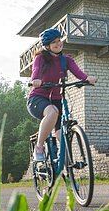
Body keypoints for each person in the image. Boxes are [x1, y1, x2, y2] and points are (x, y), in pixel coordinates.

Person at [27, 28, 97, 162]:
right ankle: (39, 147)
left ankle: (67, 169)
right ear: (47, 46)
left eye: (59, 41)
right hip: (38, 98)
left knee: (61, 136)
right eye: (54, 42)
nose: (58, 44)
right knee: (53, 112)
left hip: (57, 99)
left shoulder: (66, 60)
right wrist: (35, 80)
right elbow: (35, 71)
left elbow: (78, 72)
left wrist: (87, 78)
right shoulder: (40, 58)